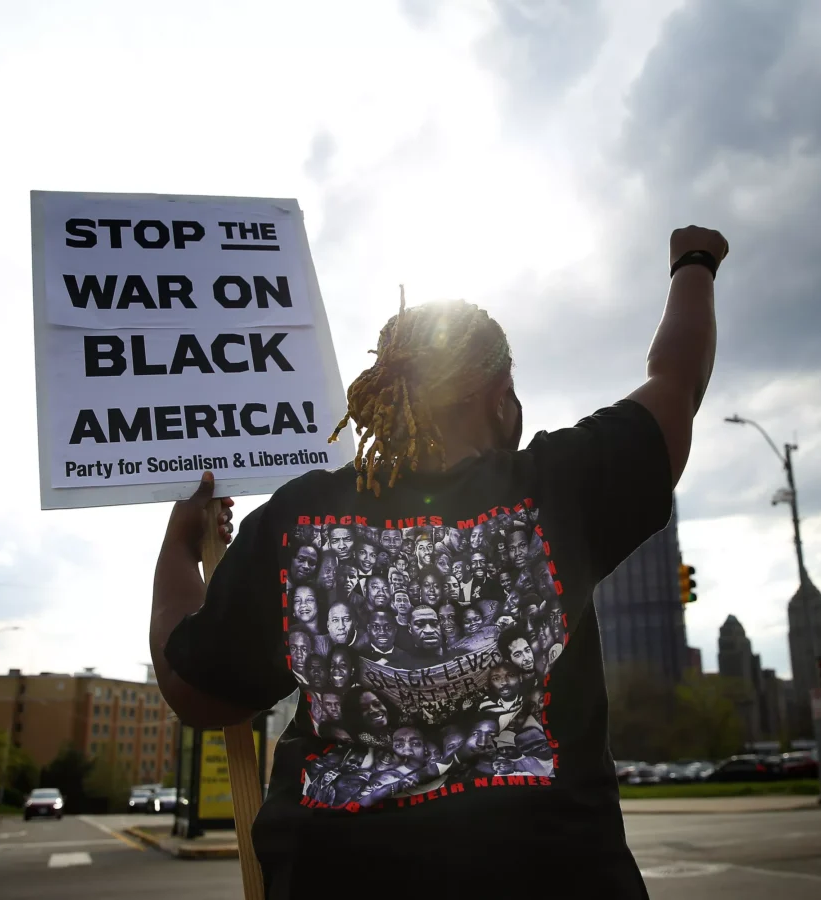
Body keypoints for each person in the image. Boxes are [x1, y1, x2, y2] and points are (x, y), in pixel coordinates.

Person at [150, 226, 727, 898]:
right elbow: (677, 381)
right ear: (499, 393)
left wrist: (180, 549)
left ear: (383, 397)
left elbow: (195, 690)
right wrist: (695, 263)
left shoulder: (296, 520)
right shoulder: (560, 486)